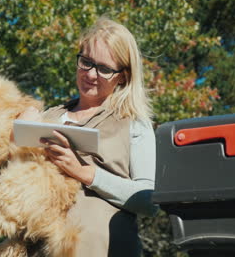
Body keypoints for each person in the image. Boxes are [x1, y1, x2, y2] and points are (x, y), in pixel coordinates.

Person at [20, 17, 158, 257]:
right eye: (86, 62)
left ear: (123, 76)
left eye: (104, 69)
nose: (91, 74)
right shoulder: (48, 116)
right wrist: (16, 133)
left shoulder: (134, 123)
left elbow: (149, 201)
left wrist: (86, 173)